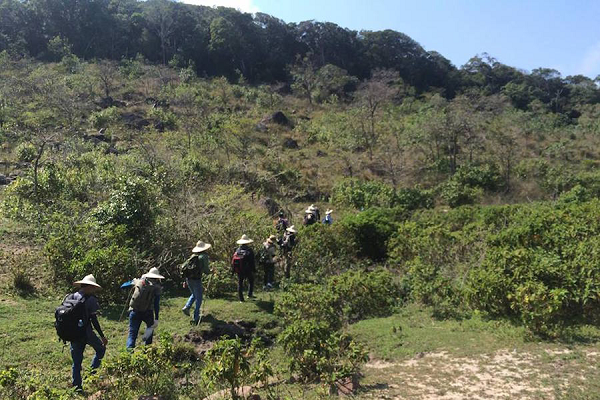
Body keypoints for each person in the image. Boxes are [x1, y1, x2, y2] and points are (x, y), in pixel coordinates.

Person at [69, 274, 108, 392]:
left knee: (76, 361)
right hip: (86, 333)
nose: (94, 290)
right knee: (101, 349)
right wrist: (102, 336)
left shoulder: (72, 296)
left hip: (73, 333)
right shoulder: (91, 300)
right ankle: (91, 374)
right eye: (93, 287)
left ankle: (77, 386)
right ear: (90, 287)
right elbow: (94, 320)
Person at [126, 267, 163, 350]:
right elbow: (156, 304)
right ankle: (147, 350)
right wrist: (156, 318)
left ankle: (128, 353)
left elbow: (123, 286)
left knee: (132, 334)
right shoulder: (156, 287)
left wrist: (134, 282)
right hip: (147, 312)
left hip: (135, 311)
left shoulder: (140, 282)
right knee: (150, 330)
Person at [181, 240, 212, 325]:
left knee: (194, 295)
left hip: (189, 279)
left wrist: (184, 280)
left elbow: (185, 268)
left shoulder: (193, 256)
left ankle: (187, 307)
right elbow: (206, 270)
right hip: (196, 279)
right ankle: (196, 317)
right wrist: (211, 272)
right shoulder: (204, 256)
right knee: (199, 298)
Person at [231, 234, 256, 302]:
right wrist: (253, 269)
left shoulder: (238, 250)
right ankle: (249, 294)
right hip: (247, 269)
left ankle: (241, 299)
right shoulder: (249, 250)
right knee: (251, 280)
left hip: (239, 269)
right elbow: (252, 261)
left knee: (240, 283)